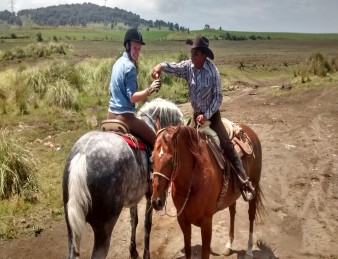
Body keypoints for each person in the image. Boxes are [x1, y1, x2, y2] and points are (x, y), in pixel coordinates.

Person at [151, 35, 255, 201]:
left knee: (227, 145)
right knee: (183, 146)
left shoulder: (213, 72)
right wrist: (160, 67)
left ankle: (244, 181)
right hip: (195, 115)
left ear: (204, 55)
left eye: (196, 53)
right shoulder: (188, 67)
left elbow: (218, 97)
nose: (192, 56)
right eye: (192, 52)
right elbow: (174, 67)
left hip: (212, 116)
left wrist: (206, 114)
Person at [107, 28, 161, 148]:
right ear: (127, 46)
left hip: (110, 116)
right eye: (135, 48)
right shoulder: (130, 67)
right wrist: (150, 89)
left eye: (139, 49)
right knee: (157, 142)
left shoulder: (117, 63)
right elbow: (132, 98)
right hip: (125, 118)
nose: (137, 52)